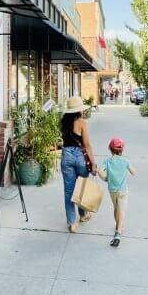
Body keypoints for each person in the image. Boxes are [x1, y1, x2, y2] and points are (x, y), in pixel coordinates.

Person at [60, 95, 97, 233]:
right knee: (81, 188)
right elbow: (87, 144)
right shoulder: (82, 122)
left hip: (66, 157)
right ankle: (83, 215)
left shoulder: (63, 122)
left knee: (68, 191)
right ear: (79, 110)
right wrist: (93, 163)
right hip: (79, 157)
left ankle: (71, 222)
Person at [99, 137, 135, 247]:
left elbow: (100, 172)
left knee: (116, 208)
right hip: (123, 190)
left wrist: (106, 179)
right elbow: (134, 172)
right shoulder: (125, 161)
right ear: (122, 150)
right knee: (122, 210)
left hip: (112, 190)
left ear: (110, 149)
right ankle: (118, 233)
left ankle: (118, 225)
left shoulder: (107, 161)